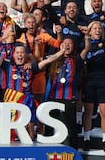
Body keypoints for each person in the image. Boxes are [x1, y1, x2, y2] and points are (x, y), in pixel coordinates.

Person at [45, 36, 89, 150]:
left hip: (69, 97)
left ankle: (74, 149)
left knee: (71, 126)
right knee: (49, 125)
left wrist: (87, 39)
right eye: (64, 44)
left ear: (73, 47)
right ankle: (45, 148)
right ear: (60, 46)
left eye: (70, 44)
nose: (67, 46)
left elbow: (86, 50)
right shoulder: (54, 59)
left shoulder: (77, 60)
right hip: (53, 96)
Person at [81, 21, 105, 151]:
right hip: (90, 81)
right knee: (88, 112)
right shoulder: (85, 45)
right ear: (89, 31)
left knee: (104, 112)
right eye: (95, 28)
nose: (97, 30)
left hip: (103, 81)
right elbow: (83, 57)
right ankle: (86, 139)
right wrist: (86, 41)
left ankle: (104, 139)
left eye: (99, 28)